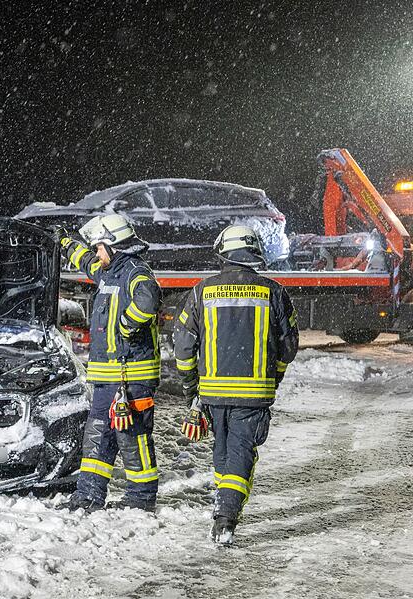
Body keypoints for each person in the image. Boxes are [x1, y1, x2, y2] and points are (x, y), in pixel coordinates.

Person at [173, 224, 299, 544]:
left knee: (222, 450)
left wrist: (192, 389)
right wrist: (275, 376)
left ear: (224, 252)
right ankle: (227, 515)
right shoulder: (273, 291)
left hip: (213, 393)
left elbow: (183, 346)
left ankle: (223, 503)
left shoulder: (202, 291)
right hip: (254, 393)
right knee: (241, 451)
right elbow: (289, 345)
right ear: (254, 252)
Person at [59, 214, 162, 512]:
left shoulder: (135, 271)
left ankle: (140, 499)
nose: (97, 253)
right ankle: (88, 496)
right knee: (97, 435)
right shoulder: (108, 271)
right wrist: (65, 242)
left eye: (100, 247)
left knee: (133, 438)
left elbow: (148, 300)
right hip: (107, 377)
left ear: (114, 245)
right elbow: (84, 259)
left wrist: (127, 326)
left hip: (132, 377)